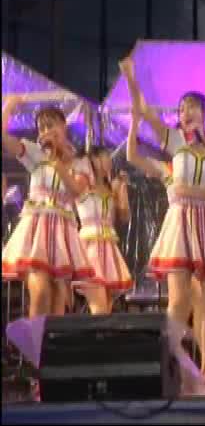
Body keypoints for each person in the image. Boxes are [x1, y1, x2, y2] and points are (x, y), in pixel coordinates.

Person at [120, 58, 205, 386]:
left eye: (191, 107)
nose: (185, 112)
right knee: (179, 300)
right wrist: (132, 78)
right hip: (181, 223)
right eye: (181, 109)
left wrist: (203, 150)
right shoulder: (174, 141)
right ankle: (169, 360)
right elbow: (143, 110)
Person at [1, 96, 94, 317]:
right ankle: (34, 338)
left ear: (64, 126)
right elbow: (4, 138)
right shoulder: (35, 153)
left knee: (57, 299)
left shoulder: (80, 162)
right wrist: (9, 107)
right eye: (41, 128)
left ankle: (47, 339)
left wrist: (57, 161)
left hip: (62, 232)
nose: (46, 132)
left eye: (51, 125)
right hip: (36, 229)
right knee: (41, 292)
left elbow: (77, 191)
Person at [72, 146, 133, 314]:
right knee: (99, 308)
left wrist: (122, 191)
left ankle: (101, 331)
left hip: (108, 250)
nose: (109, 160)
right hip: (89, 248)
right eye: (105, 156)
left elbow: (124, 217)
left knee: (106, 307)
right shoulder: (82, 184)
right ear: (93, 160)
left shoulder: (111, 187)